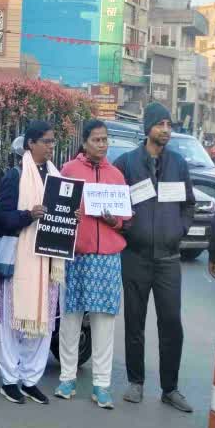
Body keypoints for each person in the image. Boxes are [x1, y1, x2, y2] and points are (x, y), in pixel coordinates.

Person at [113, 102, 194, 413]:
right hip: (136, 255)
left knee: (171, 322)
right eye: (161, 124)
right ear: (148, 128)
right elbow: (116, 206)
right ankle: (136, 382)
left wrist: (179, 229)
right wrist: (129, 229)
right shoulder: (126, 164)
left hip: (169, 258)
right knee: (135, 320)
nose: (166, 130)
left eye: (169, 125)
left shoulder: (179, 164)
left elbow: (188, 204)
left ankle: (170, 389)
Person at [56, 120, 128, 410]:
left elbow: (125, 218)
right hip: (76, 254)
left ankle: (101, 385)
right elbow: (57, 210)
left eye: (105, 139)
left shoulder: (117, 175)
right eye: (96, 139)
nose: (102, 144)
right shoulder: (69, 171)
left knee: (104, 321)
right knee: (71, 317)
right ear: (84, 142)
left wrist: (115, 220)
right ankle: (67, 378)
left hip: (108, 258)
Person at [0, 121, 60, 405]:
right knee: (12, 324)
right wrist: (28, 215)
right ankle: (10, 380)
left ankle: (31, 380)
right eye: (46, 141)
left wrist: (71, 220)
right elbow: (1, 219)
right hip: (21, 259)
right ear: (30, 144)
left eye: (53, 141)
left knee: (43, 324)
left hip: (48, 260)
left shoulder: (57, 178)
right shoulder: (16, 175)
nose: (50, 146)